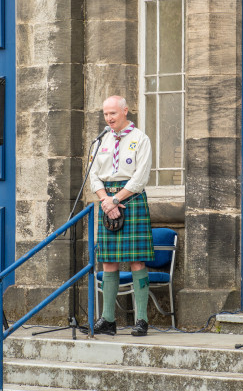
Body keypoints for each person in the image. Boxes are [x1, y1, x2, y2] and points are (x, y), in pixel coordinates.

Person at [90, 95, 154, 337]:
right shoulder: (101, 140)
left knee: (137, 260)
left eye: (113, 113)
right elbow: (93, 174)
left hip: (132, 200)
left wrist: (116, 200)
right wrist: (106, 200)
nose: (109, 118)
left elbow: (141, 177)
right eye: (106, 114)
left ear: (125, 111)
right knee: (108, 260)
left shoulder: (140, 139)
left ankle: (142, 320)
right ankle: (107, 319)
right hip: (107, 200)